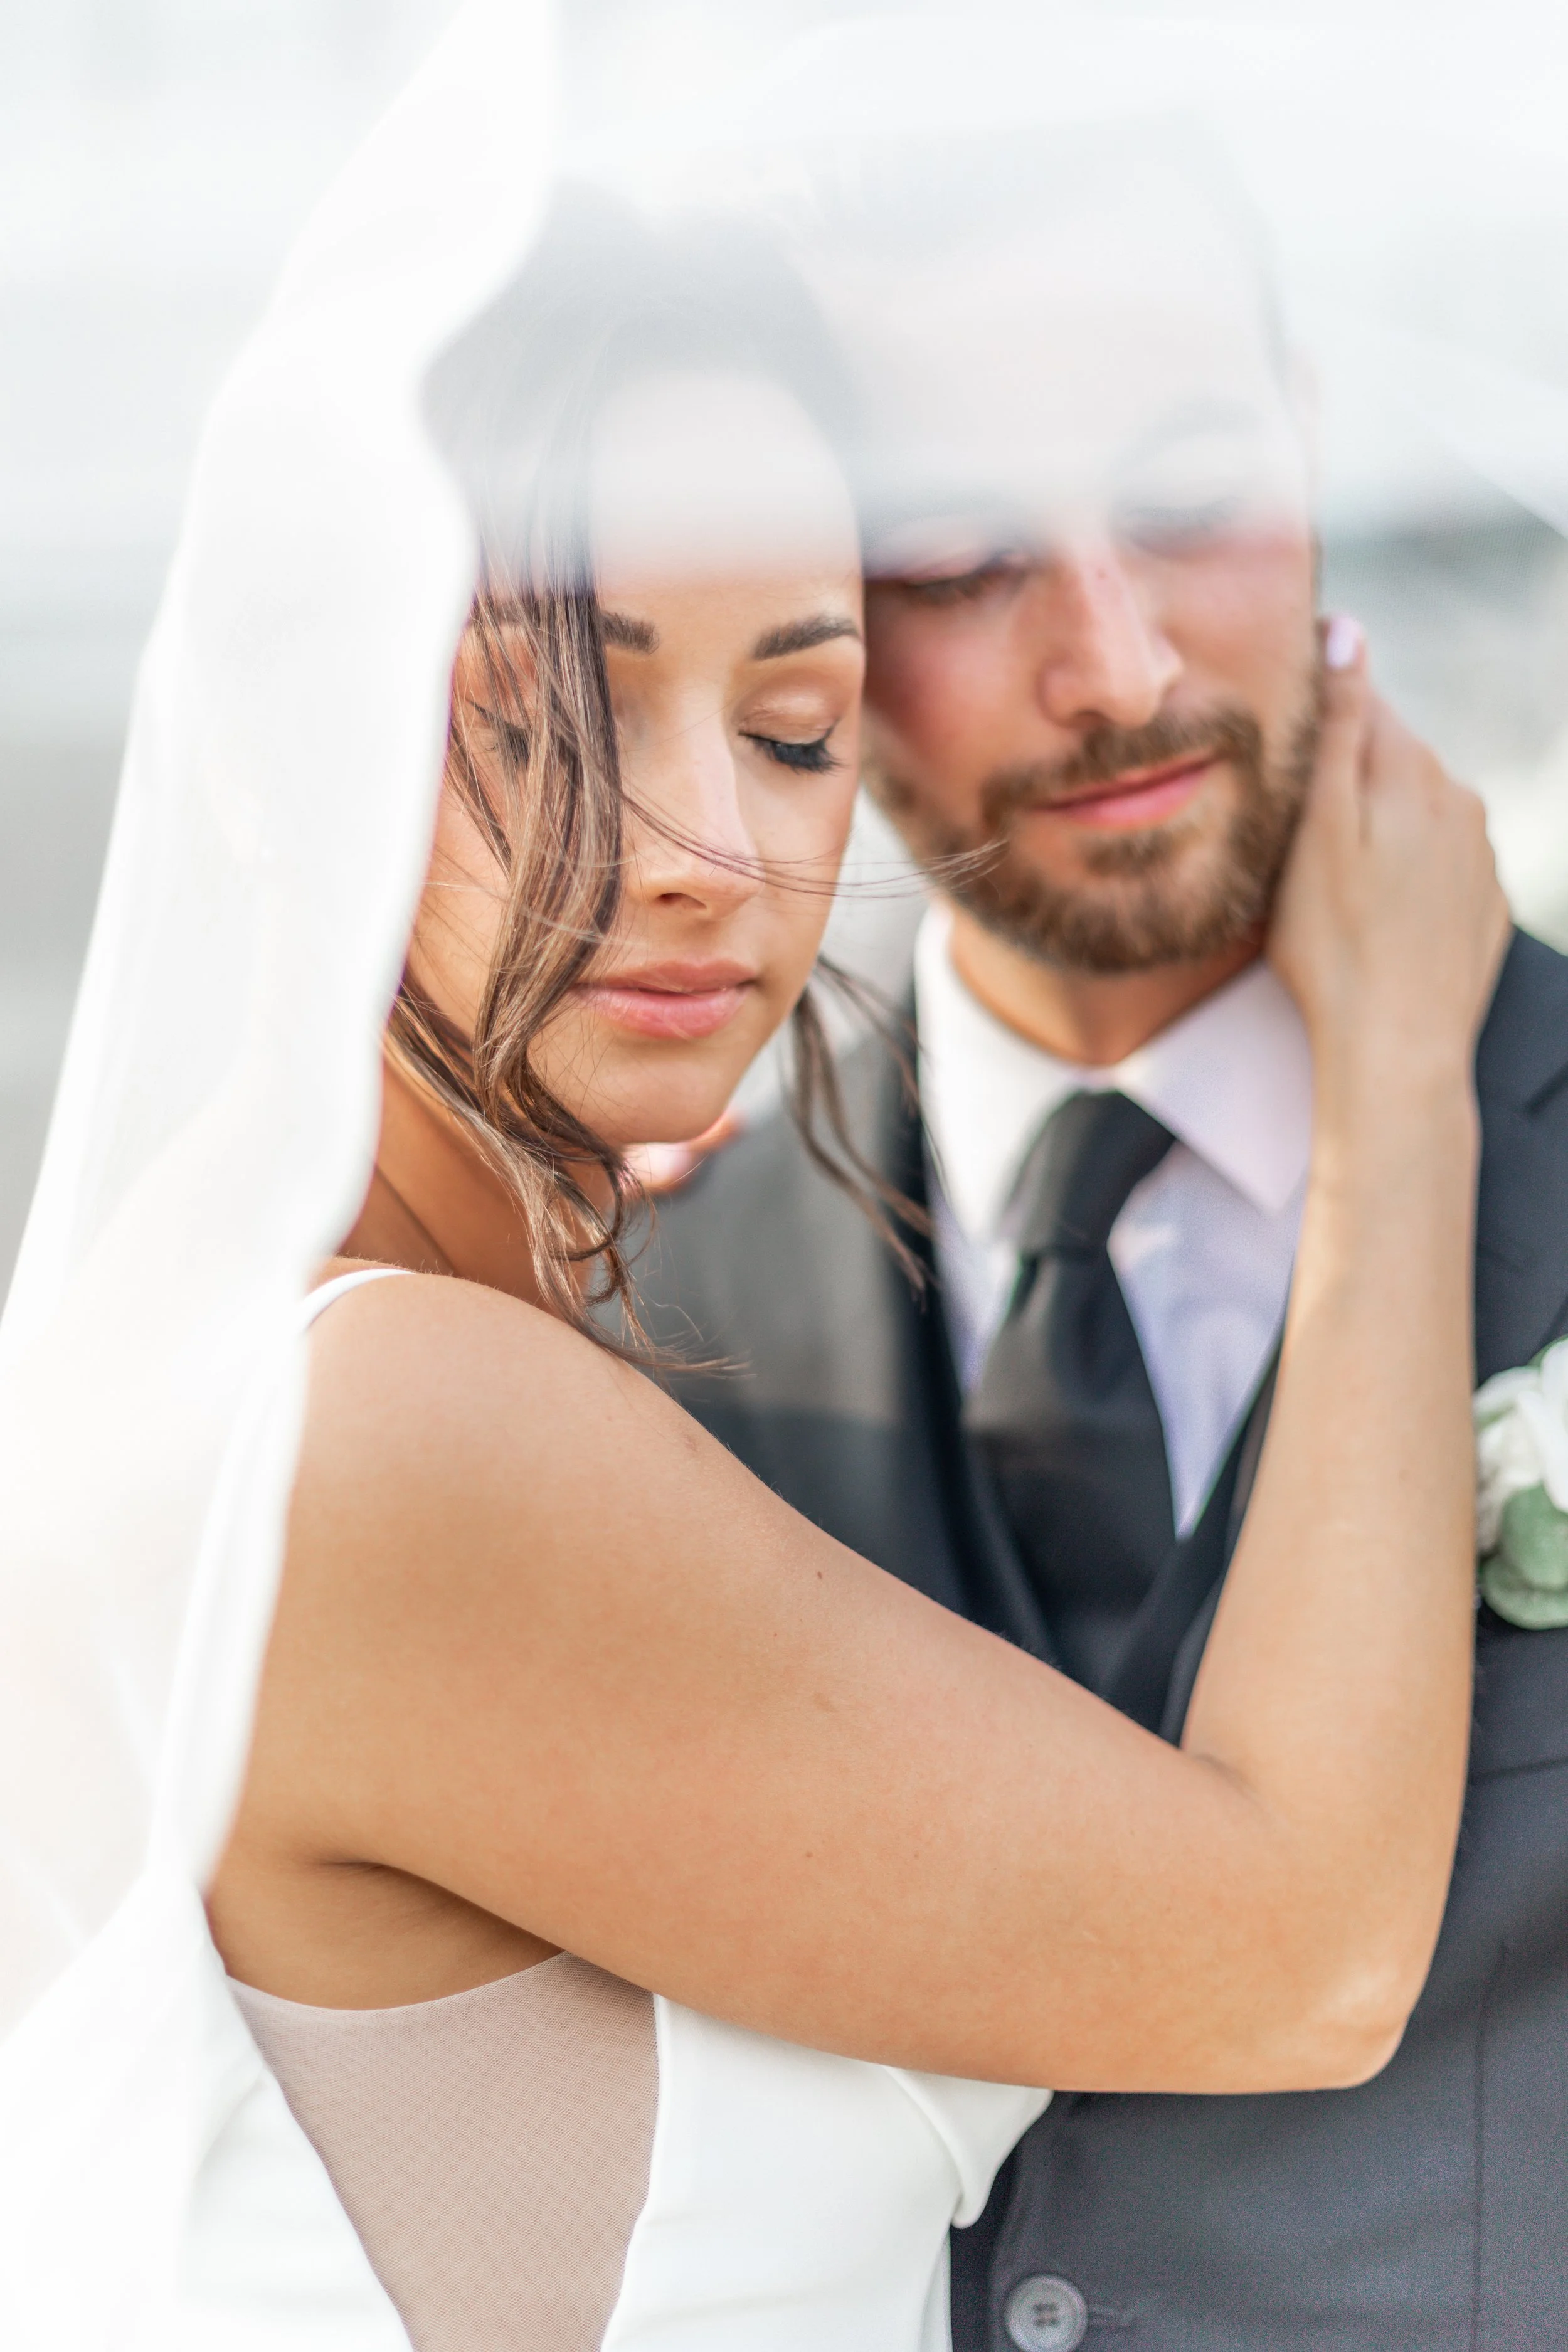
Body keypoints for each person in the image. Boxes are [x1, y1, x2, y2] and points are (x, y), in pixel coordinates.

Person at [187, 167, 1515, 2352]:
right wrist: (1400, 1096)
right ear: (264, 724)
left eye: (786, 721)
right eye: (545, 720)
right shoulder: (393, 1424)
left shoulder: (305, 1356)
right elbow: (1301, 1943)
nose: (711, 853)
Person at [640, 138, 1568, 2351]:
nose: (1115, 659)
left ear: (1310, 443)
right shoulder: (628, 1334)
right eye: (957, 558)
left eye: (1184, 499)